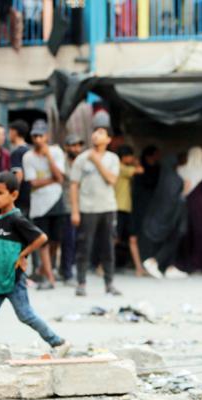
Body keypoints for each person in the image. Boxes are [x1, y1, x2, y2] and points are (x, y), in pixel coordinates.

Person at [0, 171, 69, 356]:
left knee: (25, 315)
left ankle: (57, 342)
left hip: (13, 278)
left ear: (13, 195)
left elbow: (41, 237)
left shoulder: (16, 219)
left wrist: (23, 255)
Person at [70, 112, 121, 297]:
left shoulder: (112, 159)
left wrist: (97, 161)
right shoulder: (81, 159)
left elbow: (112, 179)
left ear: (108, 139)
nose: (95, 135)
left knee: (107, 246)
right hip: (87, 208)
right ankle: (81, 283)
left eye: (100, 133)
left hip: (107, 208)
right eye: (94, 132)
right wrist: (75, 210)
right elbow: (74, 185)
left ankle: (109, 283)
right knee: (84, 246)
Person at [23, 120, 67, 290]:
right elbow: (33, 183)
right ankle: (50, 277)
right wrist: (53, 180)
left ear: (46, 136)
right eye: (35, 136)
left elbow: (61, 177)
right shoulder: (28, 157)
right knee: (43, 242)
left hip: (56, 201)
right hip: (39, 206)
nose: (38, 139)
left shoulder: (56, 152)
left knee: (56, 240)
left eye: (41, 135)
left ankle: (45, 269)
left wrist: (48, 156)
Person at [140, 153, 189, 280]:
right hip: (171, 218)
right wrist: (185, 191)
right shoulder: (176, 179)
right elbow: (177, 200)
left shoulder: (161, 177)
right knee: (174, 238)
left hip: (158, 217)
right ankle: (154, 262)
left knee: (169, 239)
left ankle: (169, 267)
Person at [177, 146, 202, 274]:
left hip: (184, 208)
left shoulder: (180, 170)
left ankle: (187, 263)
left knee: (187, 234)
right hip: (201, 209)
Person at [115, 145, 145, 276]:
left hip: (126, 208)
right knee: (114, 239)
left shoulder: (124, 168)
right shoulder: (120, 168)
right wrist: (135, 162)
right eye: (130, 156)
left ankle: (139, 268)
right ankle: (101, 266)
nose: (132, 158)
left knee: (132, 239)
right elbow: (140, 170)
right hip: (118, 207)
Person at [59, 134, 84, 283]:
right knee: (68, 239)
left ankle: (68, 269)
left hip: (81, 205)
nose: (76, 149)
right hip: (65, 205)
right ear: (66, 147)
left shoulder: (82, 162)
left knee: (77, 240)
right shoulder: (62, 161)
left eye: (78, 146)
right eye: (73, 145)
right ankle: (66, 271)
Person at [132, 145, 161, 265]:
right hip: (139, 203)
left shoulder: (157, 168)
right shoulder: (140, 167)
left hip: (153, 204)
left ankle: (148, 258)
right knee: (139, 231)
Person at [8, 119, 32, 218]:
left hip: (21, 196)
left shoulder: (17, 152)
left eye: (10, 131)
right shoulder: (30, 150)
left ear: (14, 132)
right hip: (30, 194)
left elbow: (18, 174)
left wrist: (13, 194)